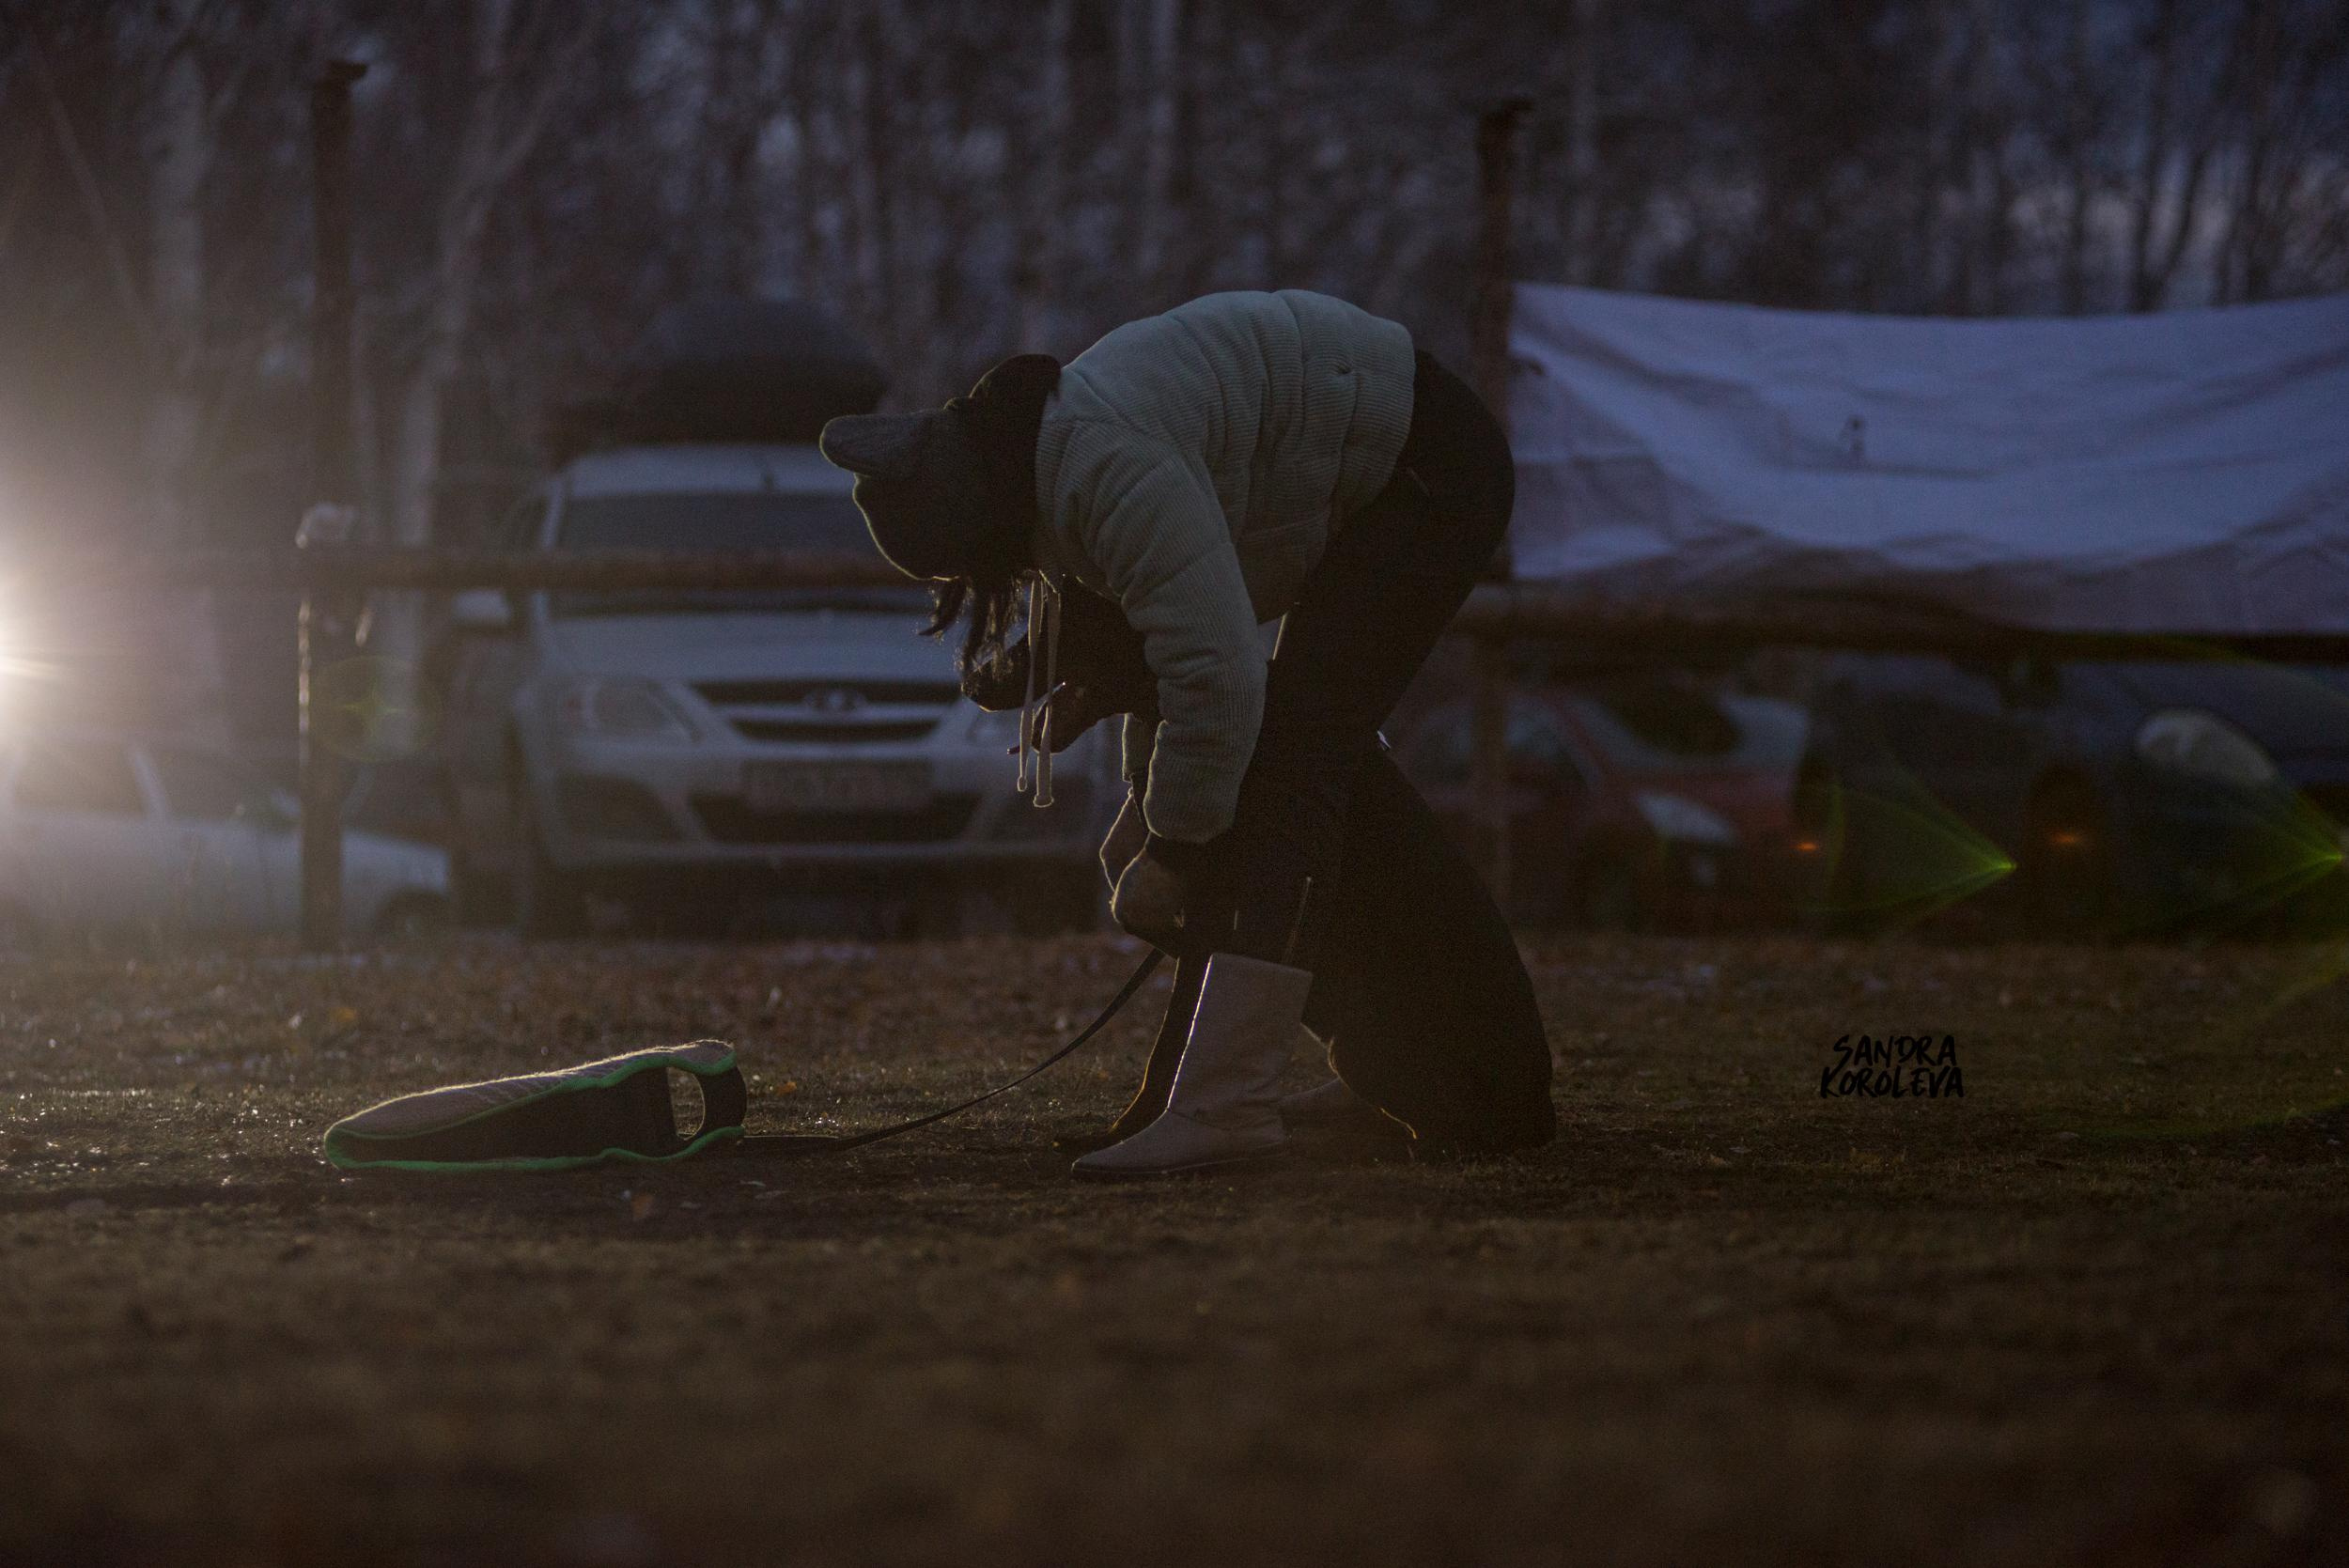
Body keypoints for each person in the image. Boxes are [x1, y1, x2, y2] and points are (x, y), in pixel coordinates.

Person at [818, 288, 1555, 1176]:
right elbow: (1174, 652)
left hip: (1428, 472)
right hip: (1383, 467)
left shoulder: (1101, 465)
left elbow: (1214, 675)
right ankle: (1397, 1062)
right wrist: (1155, 814)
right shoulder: (1033, 446)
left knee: (1294, 763)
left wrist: (1173, 845)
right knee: (1276, 768)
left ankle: (1227, 1104)